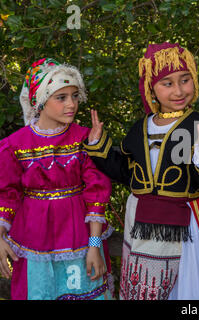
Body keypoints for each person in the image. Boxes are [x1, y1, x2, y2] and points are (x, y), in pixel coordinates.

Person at [85, 42, 199, 300]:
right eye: (168, 83)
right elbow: (125, 173)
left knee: (182, 290)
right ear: (152, 88)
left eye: (185, 80)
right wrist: (98, 146)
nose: (178, 90)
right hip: (139, 223)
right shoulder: (139, 128)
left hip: (185, 229)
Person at [0, 58, 114, 300]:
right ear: (40, 101)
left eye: (74, 96)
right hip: (32, 237)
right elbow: (7, 196)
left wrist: (94, 245)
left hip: (80, 238)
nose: (71, 104)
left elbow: (96, 193)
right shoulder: (14, 146)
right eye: (61, 97)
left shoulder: (85, 138)